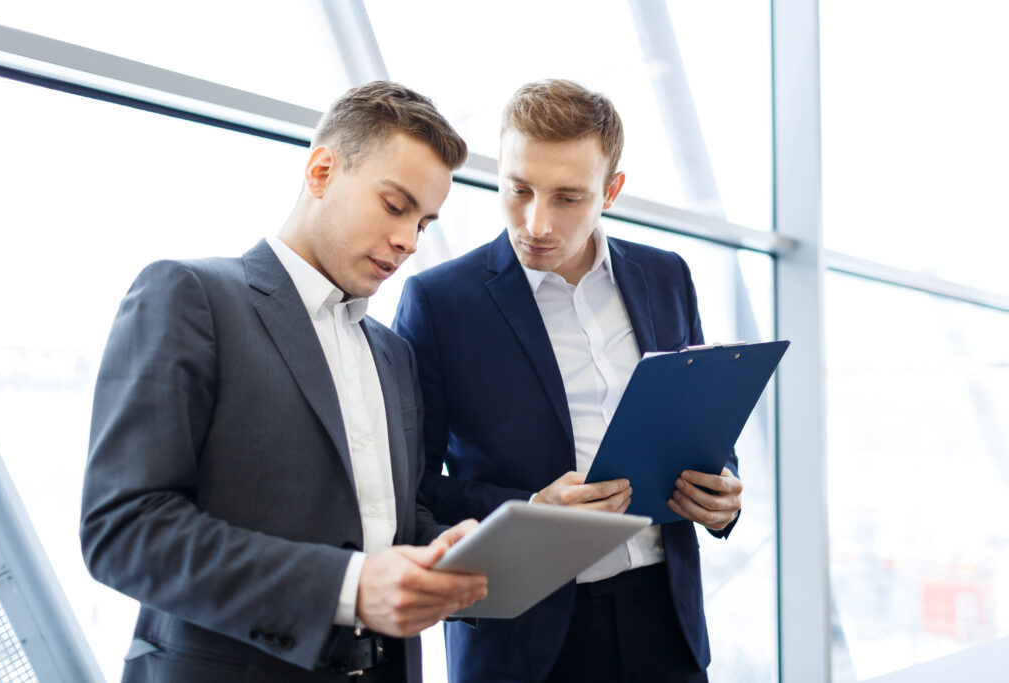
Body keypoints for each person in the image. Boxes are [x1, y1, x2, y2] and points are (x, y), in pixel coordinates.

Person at [80, 81, 487, 683]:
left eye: (424, 224)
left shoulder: (393, 354)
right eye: (395, 206)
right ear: (321, 171)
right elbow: (124, 529)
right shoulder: (191, 296)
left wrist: (446, 549)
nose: (408, 241)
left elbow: (386, 520)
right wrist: (347, 588)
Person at [392, 79, 743, 683]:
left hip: (665, 620)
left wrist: (722, 494)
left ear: (612, 192)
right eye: (519, 189)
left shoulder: (667, 277)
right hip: (522, 639)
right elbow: (411, 488)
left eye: (568, 198)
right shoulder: (438, 302)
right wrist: (530, 510)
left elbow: (700, 432)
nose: (537, 223)